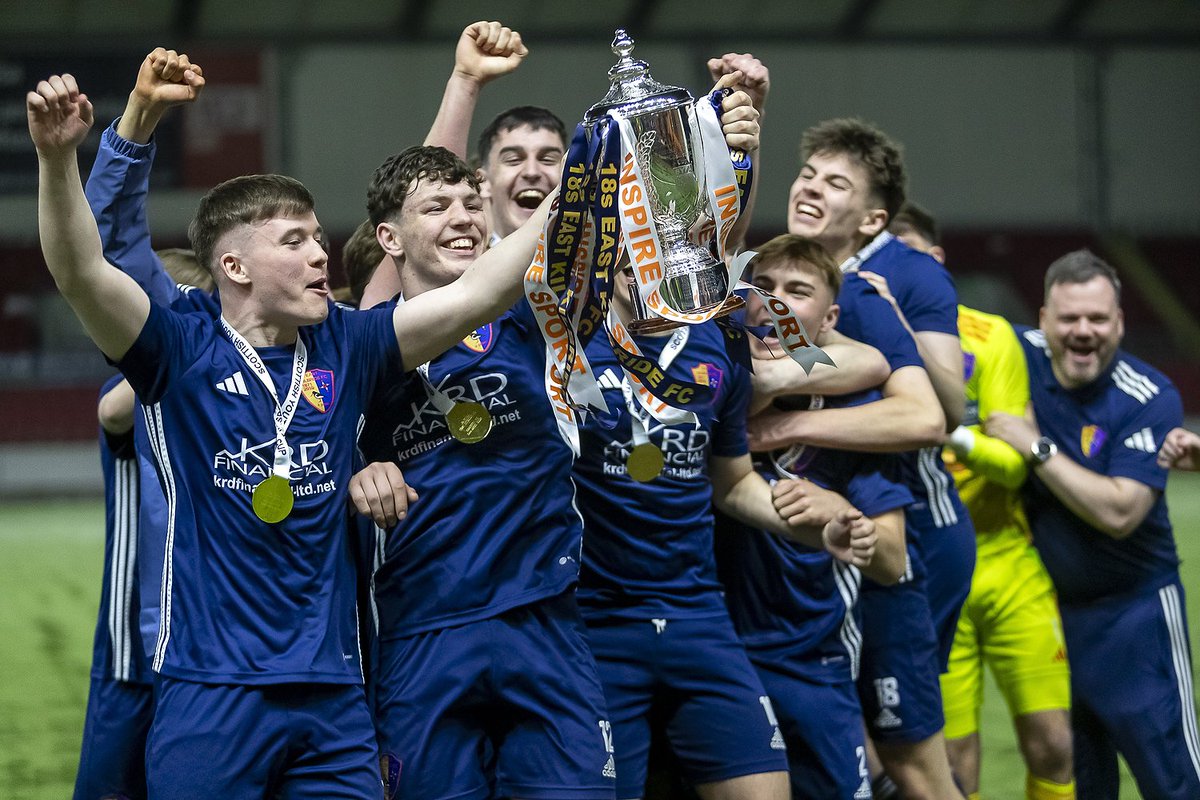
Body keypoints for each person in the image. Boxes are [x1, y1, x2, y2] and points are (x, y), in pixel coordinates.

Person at [29, 67, 551, 798]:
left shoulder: (350, 341)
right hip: (211, 691)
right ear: (235, 265)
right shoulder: (179, 348)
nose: (320, 254)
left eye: (316, 238)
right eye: (296, 241)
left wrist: (576, 192)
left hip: (334, 698)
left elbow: (484, 290)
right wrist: (59, 160)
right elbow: (83, 271)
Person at [358, 72, 762, 800]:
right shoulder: (363, 346)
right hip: (423, 633)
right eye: (436, 207)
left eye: (469, 204)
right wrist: (365, 469)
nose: (461, 217)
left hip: (545, 626)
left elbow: (674, 248)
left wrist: (714, 157)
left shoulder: (537, 323)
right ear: (389, 238)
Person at [571, 236, 883, 800]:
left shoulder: (718, 348)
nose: (639, 266)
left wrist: (814, 528)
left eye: (654, 251)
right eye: (626, 252)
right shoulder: (566, 343)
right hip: (596, 620)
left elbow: (733, 481)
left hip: (696, 615)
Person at [748, 118, 966, 799]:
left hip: (892, 533)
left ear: (872, 219)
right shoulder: (760, 284)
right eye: (807, 174)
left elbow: (929, 415)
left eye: (834, 182)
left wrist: (781, 420)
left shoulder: (867, 295)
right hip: (804, 565)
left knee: (908, 758)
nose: (810, 187)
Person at [987, 250, 1200, 800]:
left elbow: (1119, 512)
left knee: (1174, 783)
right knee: (1079, 784)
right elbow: (942, 332)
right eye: (1069, 318)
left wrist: (1034, 446)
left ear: (1120, 324)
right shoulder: (1011, 354)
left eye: (1098, 319)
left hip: (1136, 617)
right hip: (1049, 621)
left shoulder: (1149, 395)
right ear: (1043, 319)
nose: (1083, 332)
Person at [716, 235, 912, 800]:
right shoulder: (700, 386)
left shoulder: (853, 419)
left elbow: (893, 563)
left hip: (811, 659)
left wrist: (847, 516)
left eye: (796, 291)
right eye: (763, 286)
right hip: (712, 652)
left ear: (828, 319)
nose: (775, 302)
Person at [891, 204, 1075, 800]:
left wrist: (946, 430)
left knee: (1054, 744)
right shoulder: (861, 336)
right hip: (928, 570)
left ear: (936, 260)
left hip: (1007, 563)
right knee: (954, 763)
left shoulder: (989, 335)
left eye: (906, 249)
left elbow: (1012, 466)